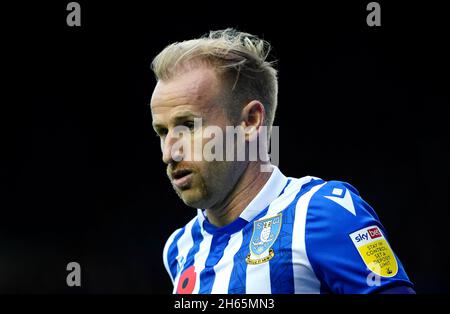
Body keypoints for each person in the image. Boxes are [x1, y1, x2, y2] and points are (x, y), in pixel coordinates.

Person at [149, 28, 414, 294]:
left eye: (188, 126)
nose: (169, 153)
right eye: (162, 132)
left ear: (250, 121)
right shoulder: (179, 249)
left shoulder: (321, 215)